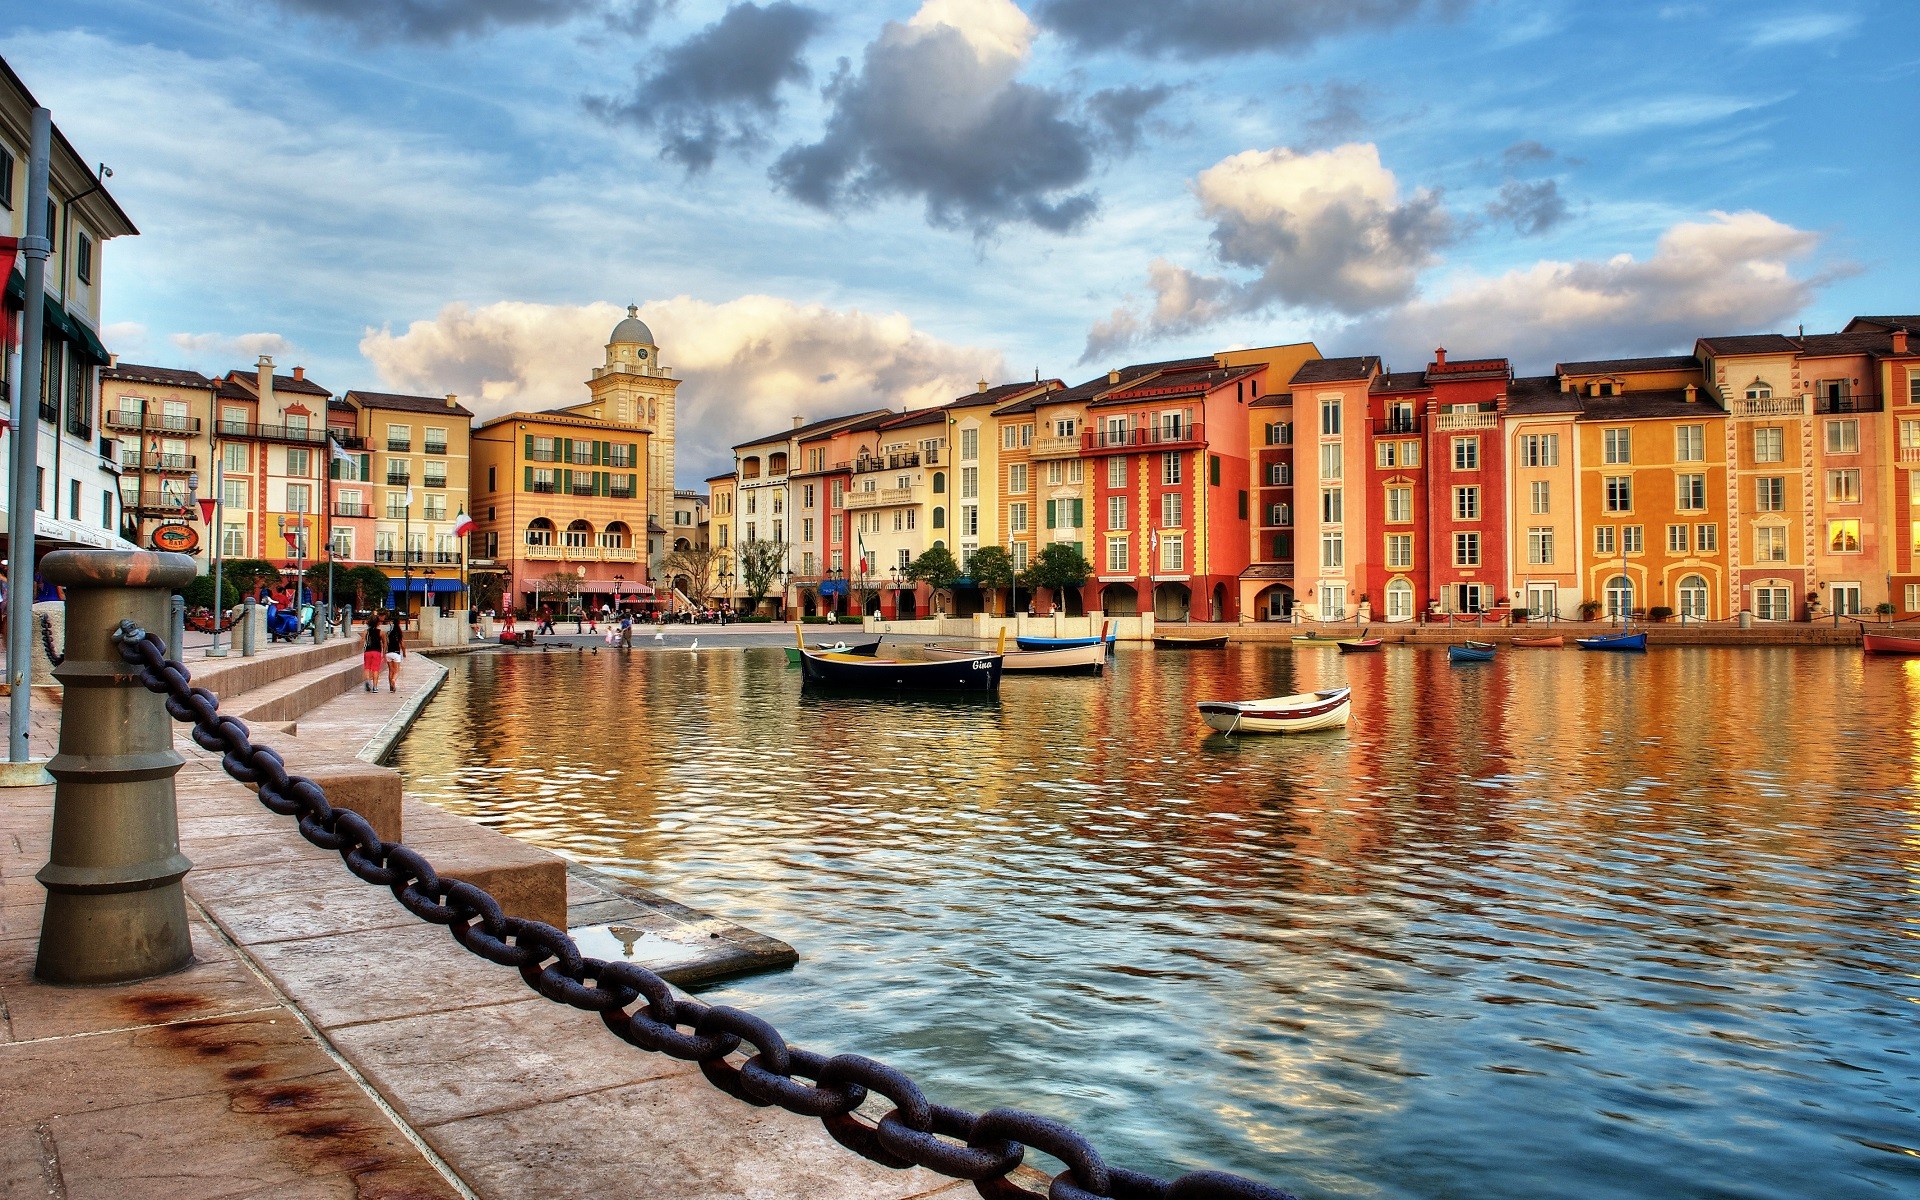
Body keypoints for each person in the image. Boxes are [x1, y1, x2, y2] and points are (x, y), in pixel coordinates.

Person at [361, 611, 385, 692]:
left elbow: (362, 641)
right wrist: (384, 653)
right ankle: (375, 687)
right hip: (377, 652)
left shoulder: (366, 631)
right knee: (375, 669)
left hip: (367, 651)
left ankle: (367, 680)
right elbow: (385, 643)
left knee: (367, 667)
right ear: (378, 623)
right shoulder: (381, 632)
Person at [384, 611, 406, 692]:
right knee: (396, 671)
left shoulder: (389, 633)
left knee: (390, 670)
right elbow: (402, 644)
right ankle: (393, 680)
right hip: (396, 653)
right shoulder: (399, 633)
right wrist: (404, 653)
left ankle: (391, 687)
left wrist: (384, 653)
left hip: (388, 653)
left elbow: (386, 643)